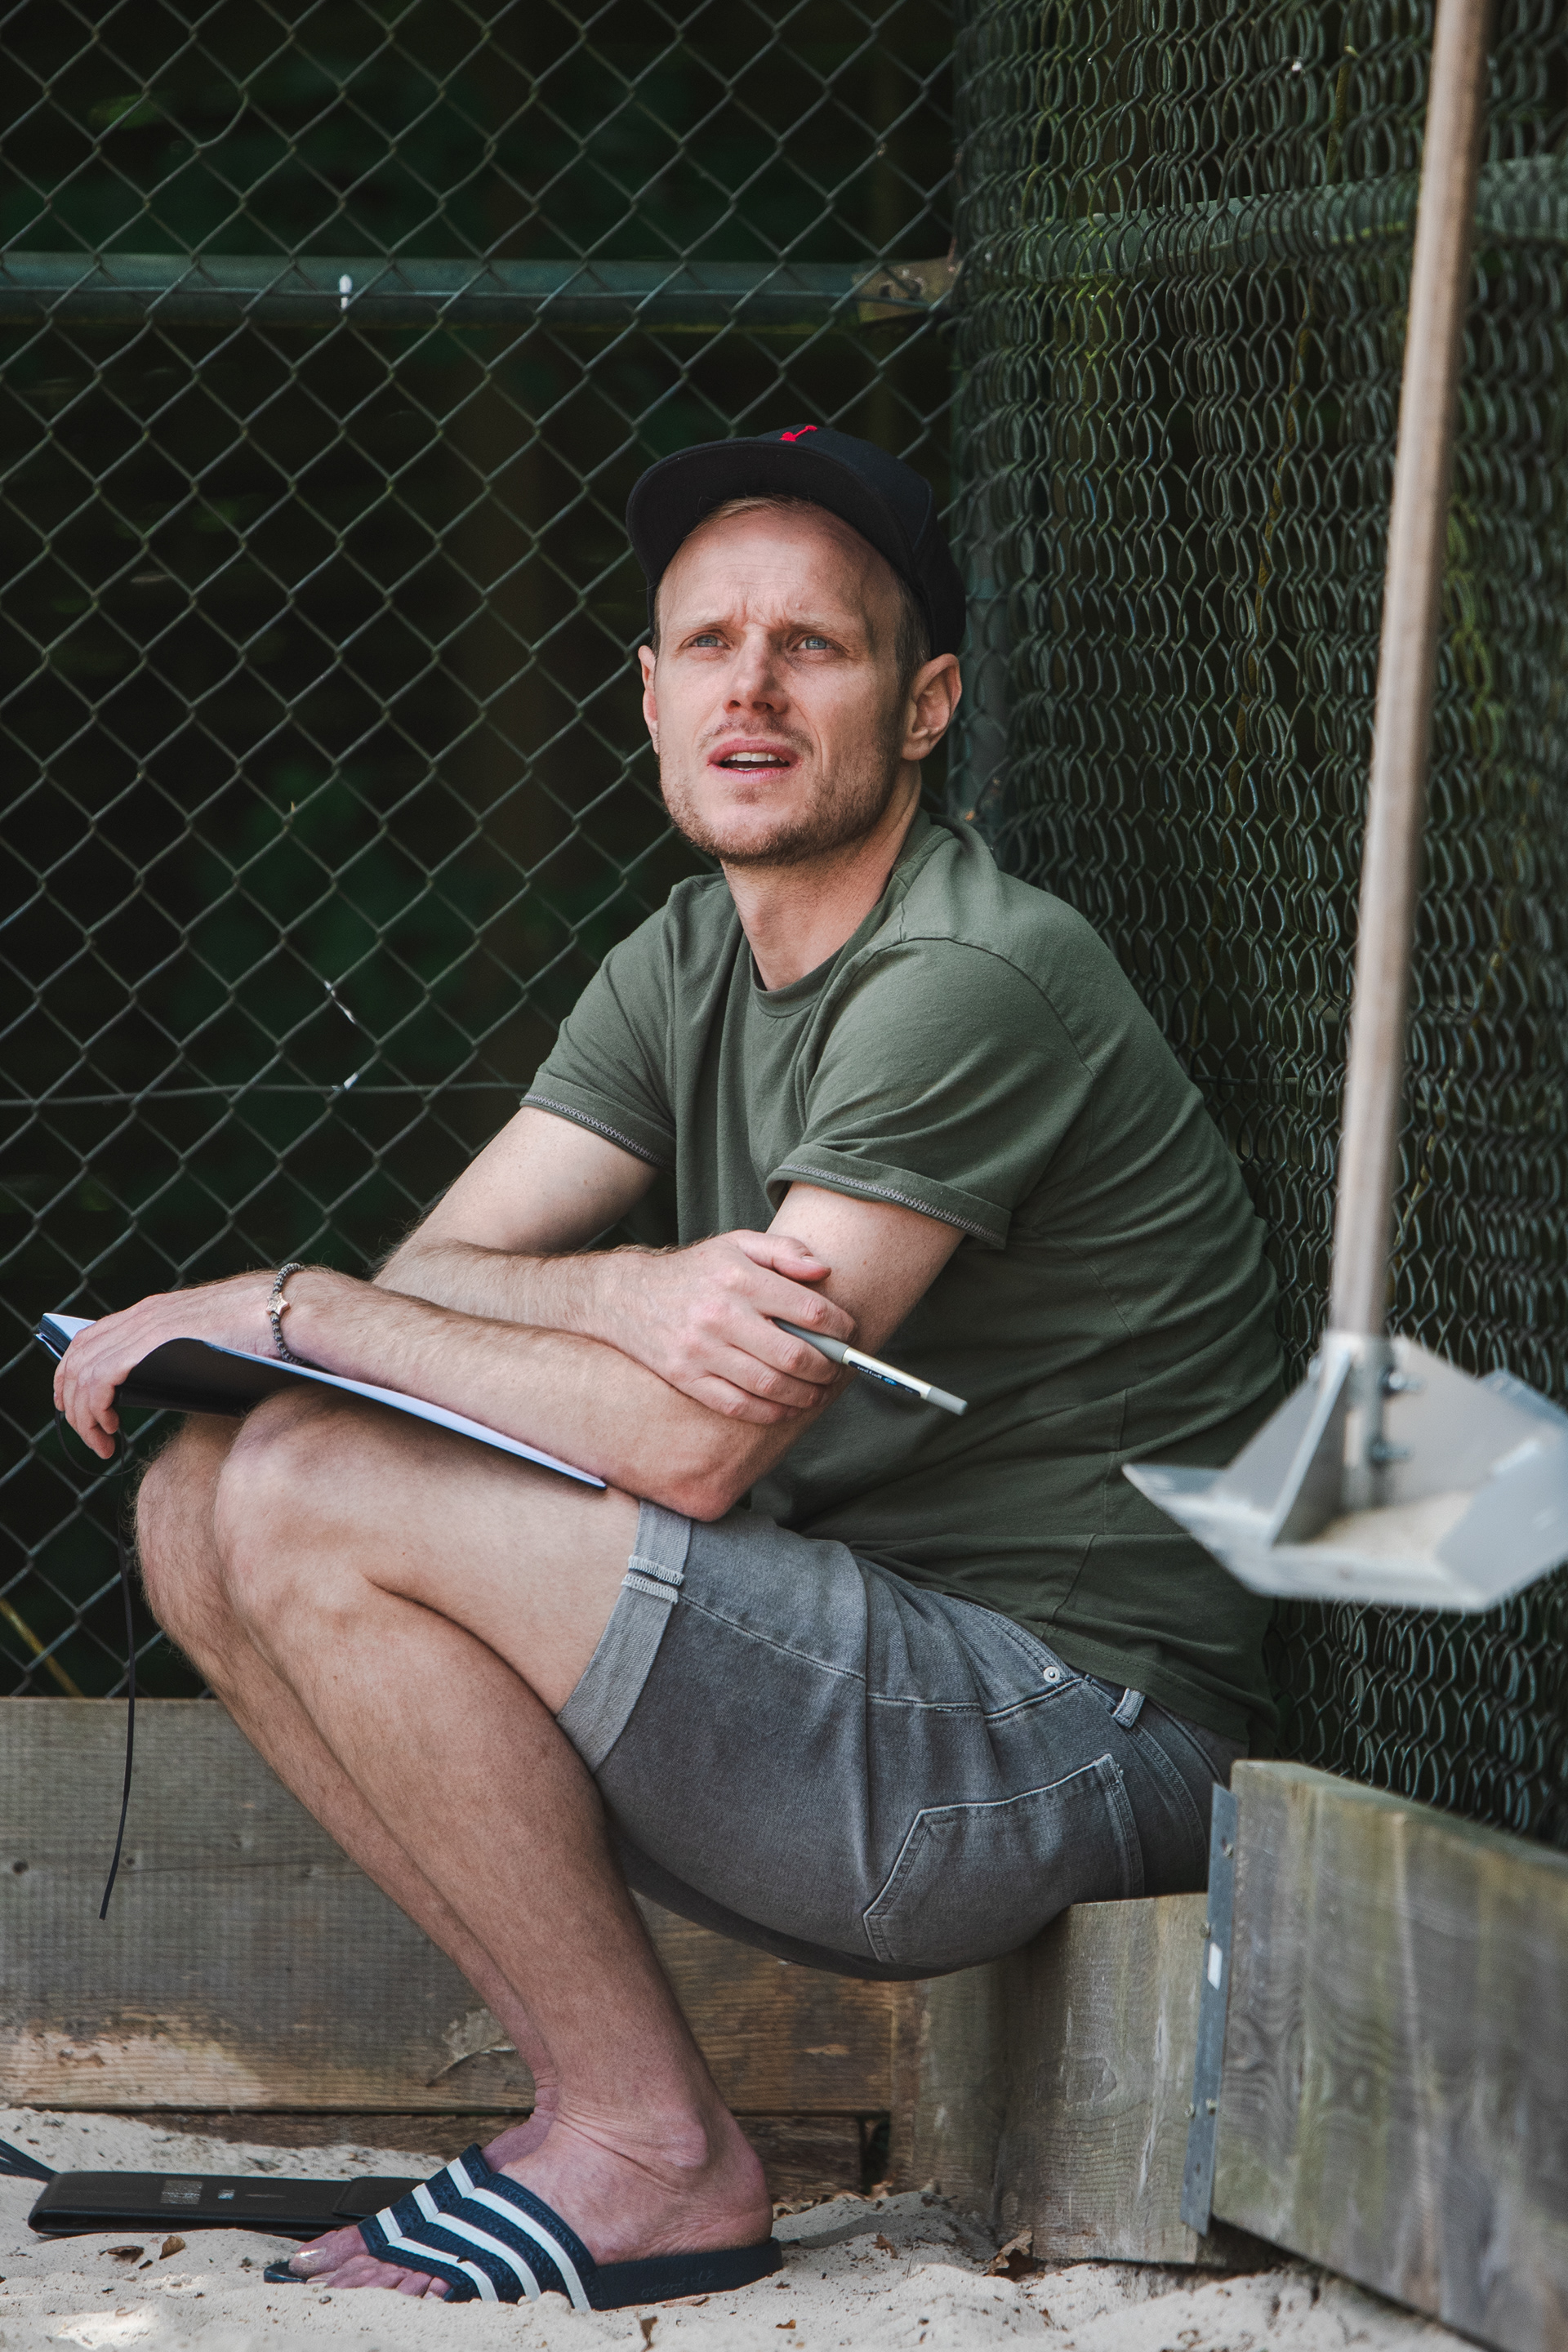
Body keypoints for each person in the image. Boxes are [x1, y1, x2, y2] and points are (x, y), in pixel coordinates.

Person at [55, 425, 1283, 2310]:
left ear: (927, 705)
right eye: (709, 643)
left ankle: (652, 2146)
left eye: (816, 646)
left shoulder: (968, 978)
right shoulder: (683, 960)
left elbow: (675, 1447)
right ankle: (595, 2113)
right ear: (648, 696)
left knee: (302, 1472)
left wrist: (291, 1304)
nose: (752, 688)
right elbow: (442, 1274)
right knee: (198, 1497)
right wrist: (628, 1289)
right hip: (845, 1676)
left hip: (1062, 1741)